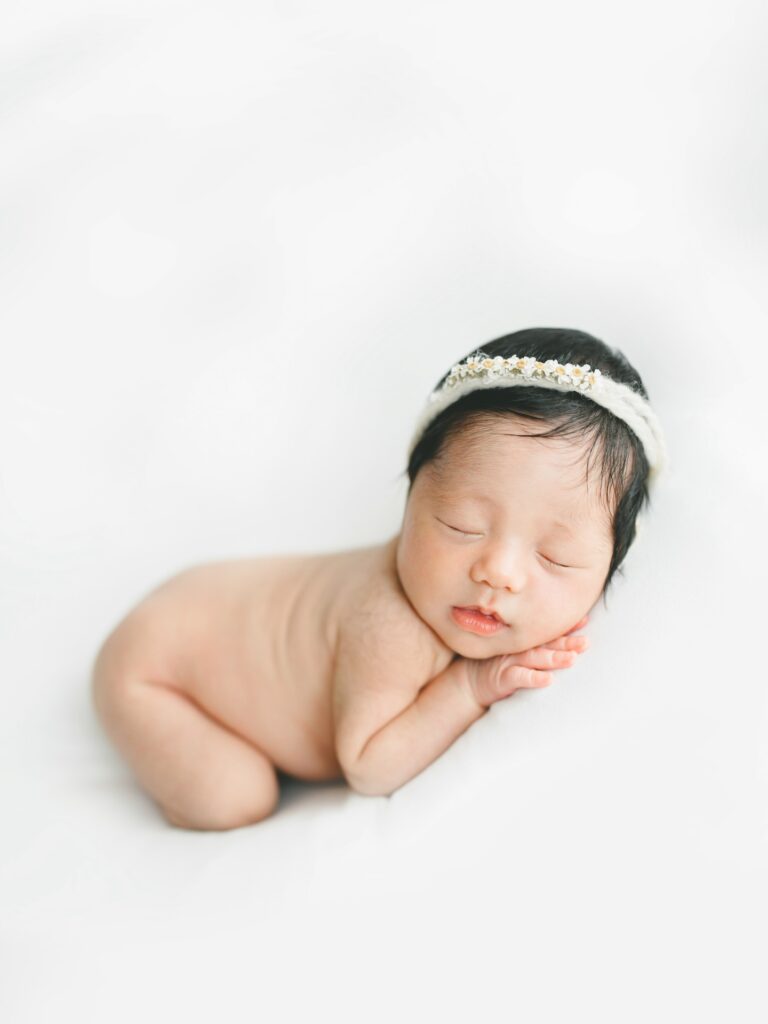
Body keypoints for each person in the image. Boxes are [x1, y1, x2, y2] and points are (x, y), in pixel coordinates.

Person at [90, 326, 668, 830]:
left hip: (204, 602)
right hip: (155, 667)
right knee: (235, 796)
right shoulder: (390, 624)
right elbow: (368, 766)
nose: (498, 572)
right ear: (411, 499)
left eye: (555, 558)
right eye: (462, 525)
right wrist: (470, 688)